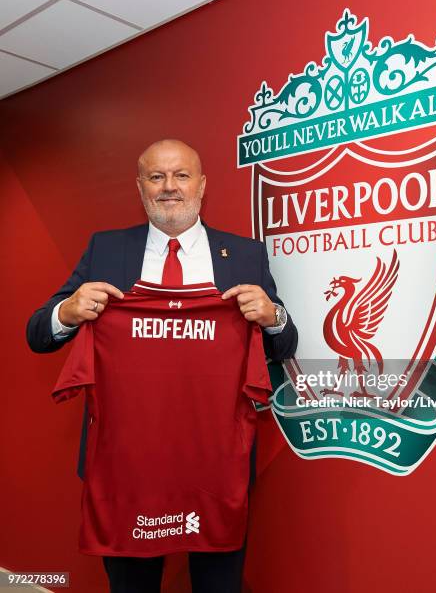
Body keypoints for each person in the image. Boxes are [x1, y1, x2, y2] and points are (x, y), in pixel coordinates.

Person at [26, 139, 298, 593]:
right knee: (132, 586)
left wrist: (274, 317)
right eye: (156, 177)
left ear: (201, 185)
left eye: (181, 175)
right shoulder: (106, 249)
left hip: (216, 463)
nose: (169, 187)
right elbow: (37, 334)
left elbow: (285, 344)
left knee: (218, 584)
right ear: (140, 187)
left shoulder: (246, 256)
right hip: (126, 467)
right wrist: (67, 312)